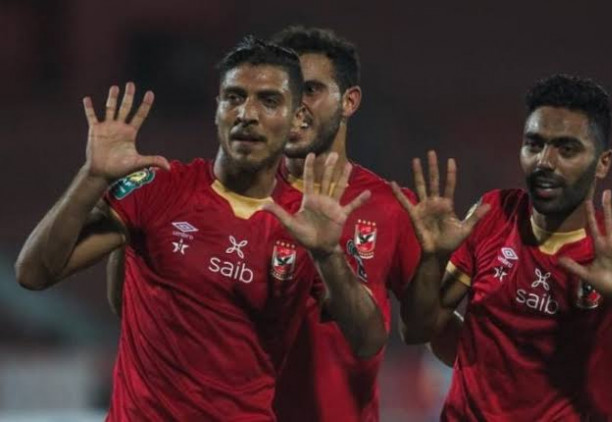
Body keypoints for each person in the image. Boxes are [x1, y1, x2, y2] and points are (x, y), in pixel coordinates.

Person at [15, 36, 385, 420]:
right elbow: (33, 273)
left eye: (269, 101)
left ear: (297, 119)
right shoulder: (160, 188)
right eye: (234, 97)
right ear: (217, 108)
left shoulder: (305, 222)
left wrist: (328, 254)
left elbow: (368, 340)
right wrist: (92, 177)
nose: (247, 113)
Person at [394, 74, 612, 420]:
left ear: (603, 163)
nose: (544, 162)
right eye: (534, 144)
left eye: (566, 149)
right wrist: (433, 259)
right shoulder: (494, 213)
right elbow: (416, 330)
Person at [269, 26, 421, 421]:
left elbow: (422, 328)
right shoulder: (243, 199)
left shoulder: (392, 208)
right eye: (283, 92)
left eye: (311, 90)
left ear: (349, 101)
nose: (295, 105)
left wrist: (436, 260)